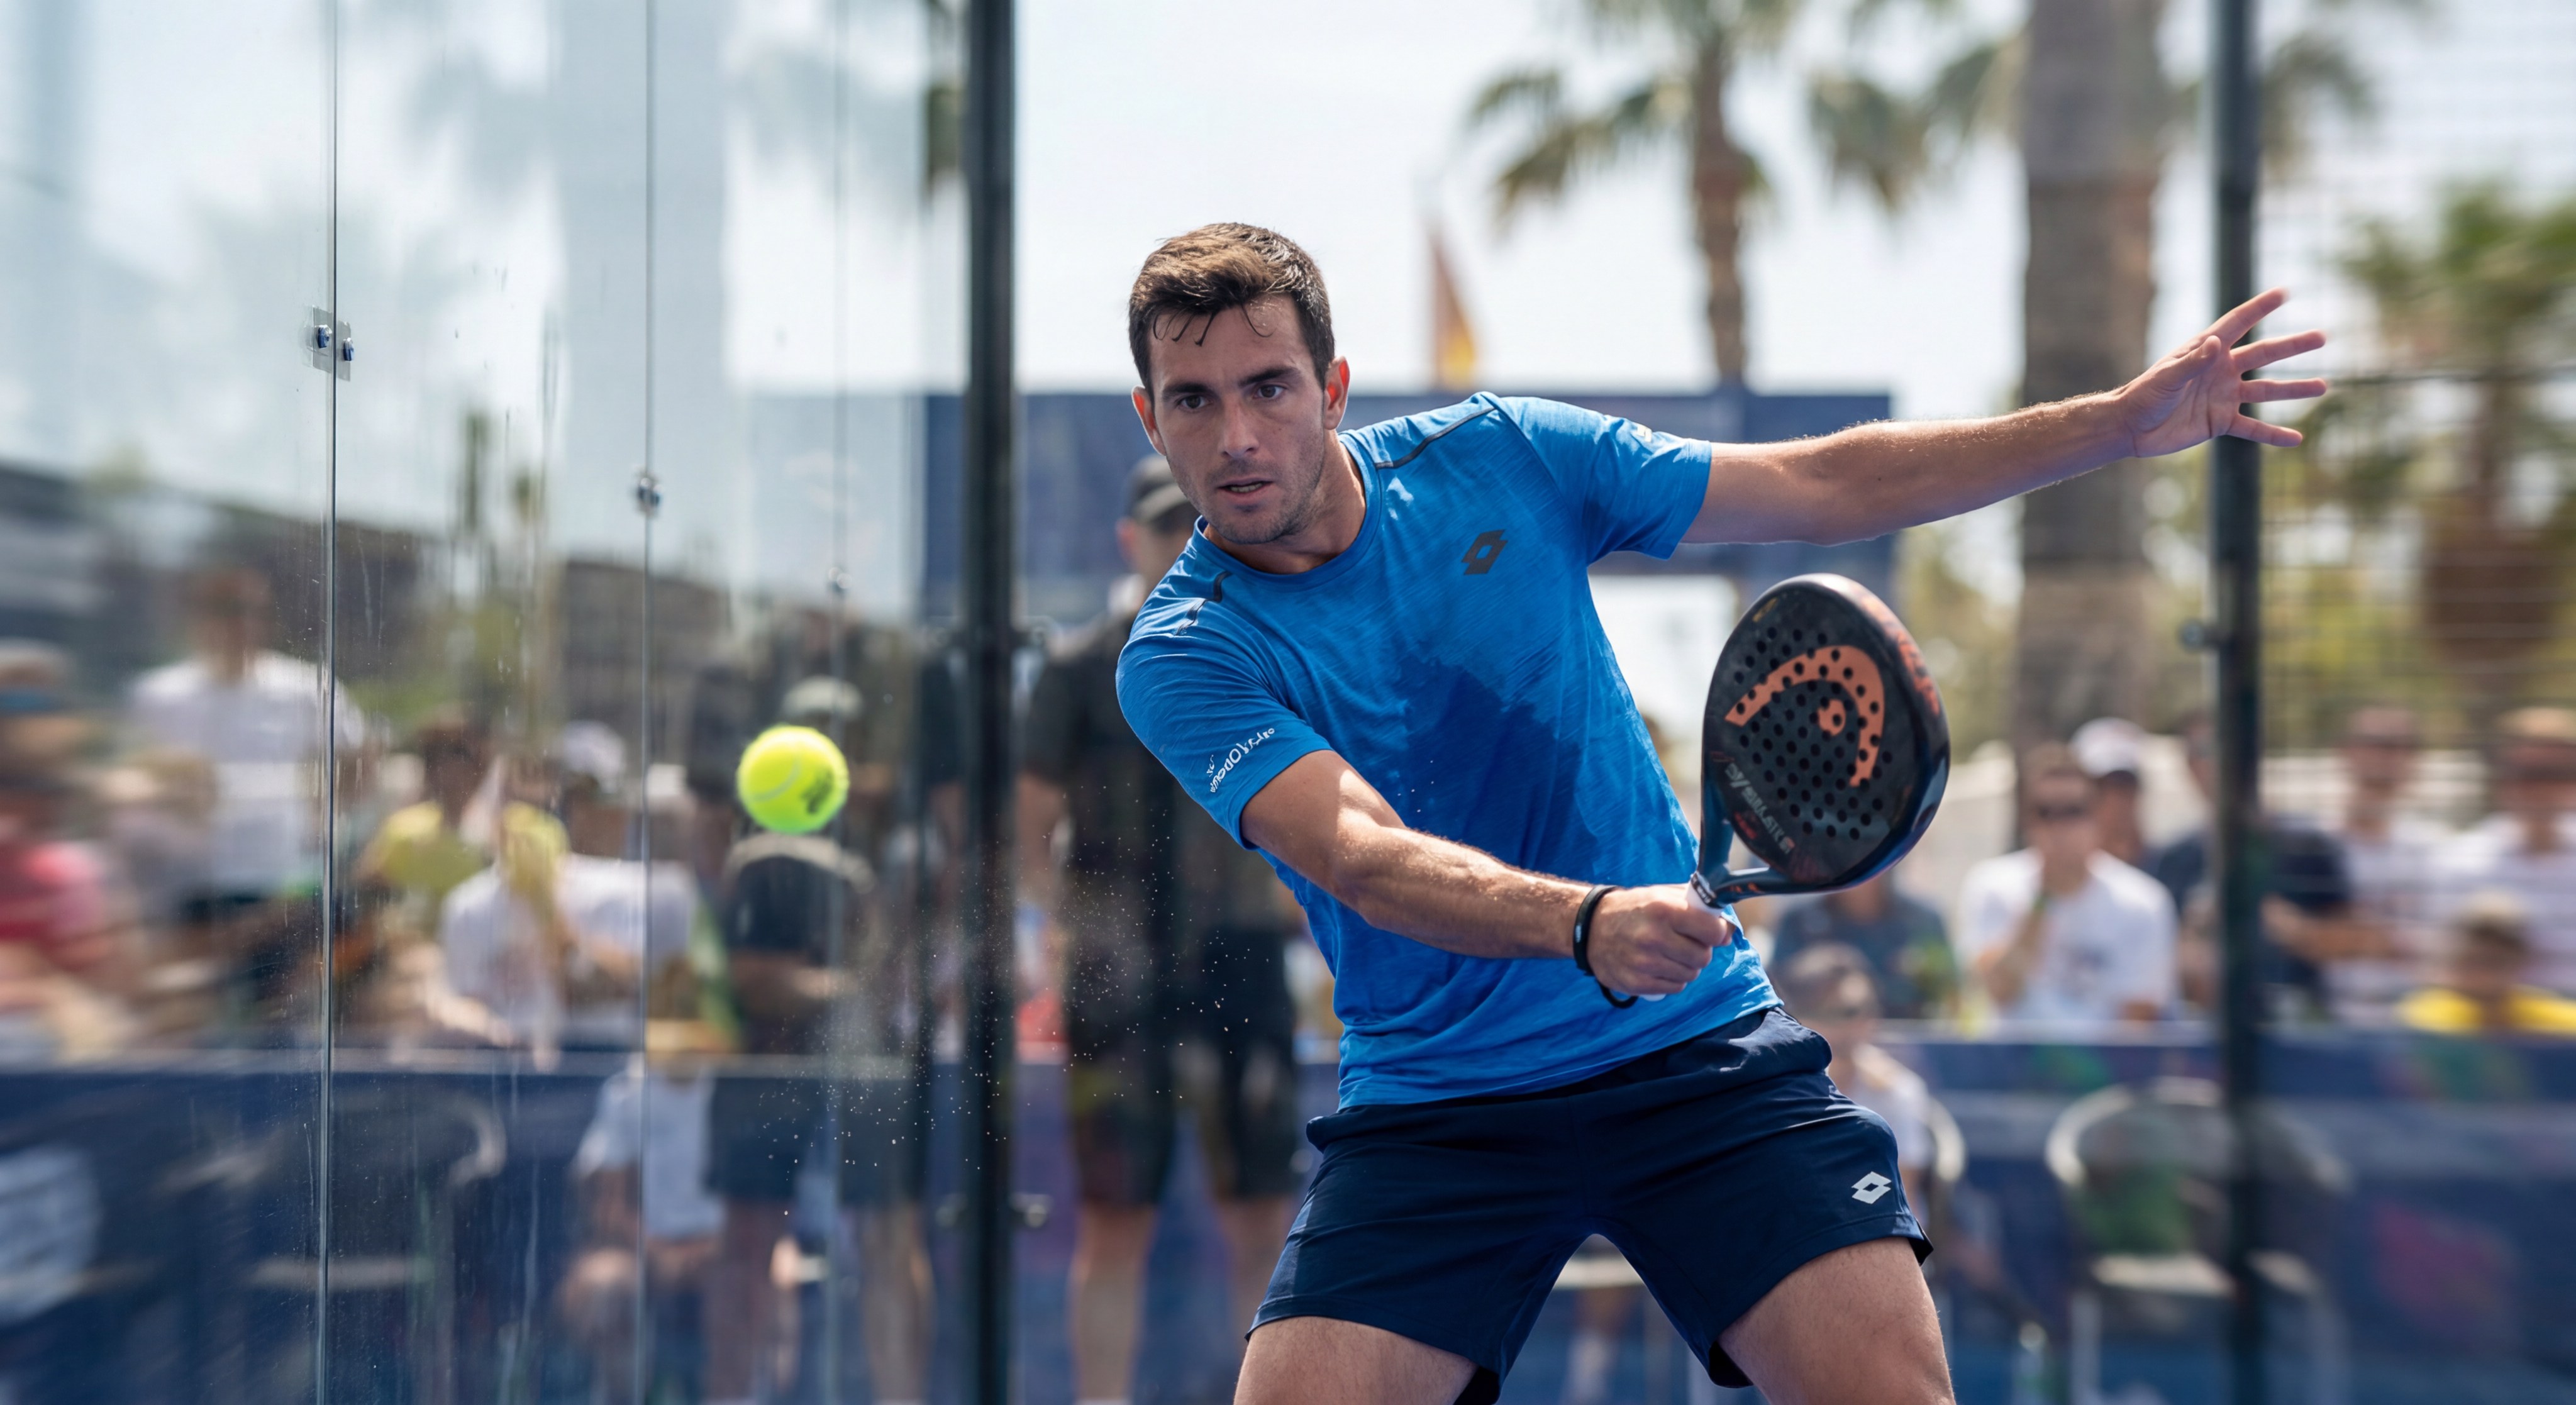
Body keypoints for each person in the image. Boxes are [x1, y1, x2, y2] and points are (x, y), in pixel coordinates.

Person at [1108, 223, 2324, 1400]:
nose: (1237, 435)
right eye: (1194, 400)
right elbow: (1359, 852)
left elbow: (1818, 481)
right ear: (1149, 417)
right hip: (1436, 1105)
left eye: (1267, 386)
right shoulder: (1181, 650)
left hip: (1694, 1055)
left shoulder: (1506, 455)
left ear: (1333, 386)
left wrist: (2116, 424)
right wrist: (1586, 923)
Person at [1019, 458, 1307, 1405]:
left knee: (1261, 1214)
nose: (1178, 540)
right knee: (1114, 1218)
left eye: (1194, 522)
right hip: (1120, 979)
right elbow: (1025, 827)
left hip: (1242, 958)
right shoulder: (1072, 670)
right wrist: (1059, 942)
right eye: (1160, 524)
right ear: (1126, 539)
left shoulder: (1270, 656)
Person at [702, 702, 930, 1405]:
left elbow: (903, 972)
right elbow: (756, 981)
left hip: (867, 1069)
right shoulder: (762, 856)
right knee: (748, 1246)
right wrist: (852, 985)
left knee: (891, 1242)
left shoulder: (896, 844)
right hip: (772, 1070)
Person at [127, 566, 363, 1026]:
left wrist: (327, 825)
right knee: (197, 1028)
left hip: (290, 889)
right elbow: (139, 781)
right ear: (197, 619)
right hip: (198, 895)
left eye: (249, 610)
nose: (238, 623)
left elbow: (358, 759)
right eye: (224, 610)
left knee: (294, 1024)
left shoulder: (305, 688)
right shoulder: (159, 695)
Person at [437, 723, 698, 1055]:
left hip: (597, 1073)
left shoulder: (640, 891)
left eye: (574, 797)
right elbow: (462, 1002)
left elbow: (611, 992)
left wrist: (548, 908)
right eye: (517, 796)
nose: (532, 811)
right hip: (506, 1076)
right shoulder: (467, 904)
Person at [2148, 713, 2362, 1019]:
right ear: (2188, 767)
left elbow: (2356, 942)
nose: (2220, 761)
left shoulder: (2309, 845)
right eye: (2204, 750)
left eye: (2232, 745)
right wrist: (2194, 939)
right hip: (2209, 1034)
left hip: (2297, 1029)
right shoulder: (2174, 859)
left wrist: (2290, 927)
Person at [554, 1031, 729, 1400]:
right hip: (639, 1250)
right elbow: (607, 1205)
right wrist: (656, 1252)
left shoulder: (739, 1089)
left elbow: (760, 1205)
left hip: (728, 1251)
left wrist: (715, 1251)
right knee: (604, 1290)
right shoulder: (626, 1094)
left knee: (752, 1285)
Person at [1954, 745, 2176, 1029]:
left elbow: (2136, 1024)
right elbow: (1998, 991)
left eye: (2073, 811)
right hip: (2010, 1068)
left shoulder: (2143, 902)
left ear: (2098, 816)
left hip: (2107, 1071)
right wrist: (2042, 900)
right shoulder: (1991, 887)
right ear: (2027, 821)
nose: (2059, 827)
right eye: (2046, 812)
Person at [2433, 707, 2576, 995]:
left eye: (2556, 774)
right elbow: (2440, 966)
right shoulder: (2460, 862)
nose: (2540, 788)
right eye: (2528, 773)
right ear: (2503, 779)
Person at [2323, 706, 2445, 1023]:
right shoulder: (2307, 847)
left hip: (2416, 1028)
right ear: (2346, 752)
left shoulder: (2438, 851)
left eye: (2400, 747)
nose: (2386, 758)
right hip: (2323, 1025)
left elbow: (2447, 948)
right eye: (2375, 744)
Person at [1769, 872, 1957, 1021]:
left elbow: (1951, 997)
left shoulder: (1924, 920)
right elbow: (1778, 994)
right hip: (1820, 1048)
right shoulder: (1799, 920)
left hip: (1914, 1051)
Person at [2396, 892, 2576, 1036]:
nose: (2484, 971)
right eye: (2474, 959)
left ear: (2521, 959)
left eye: (2497, 961)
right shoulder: (2424, 1013)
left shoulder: (2543, 1010)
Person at [2069, 717, 2151, 867]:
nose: (2115, 799)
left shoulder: (2174, 868)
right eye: (2101, 786)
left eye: (2125, 783)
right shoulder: (2063, 873)